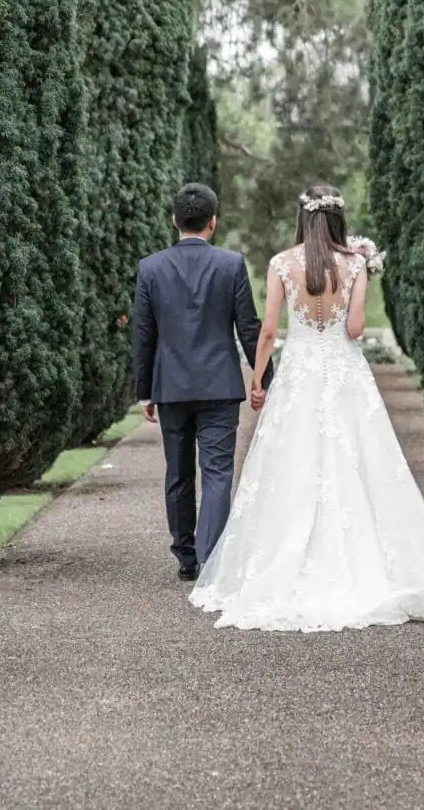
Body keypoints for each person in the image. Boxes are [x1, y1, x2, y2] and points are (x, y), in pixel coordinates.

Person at [189, 183, 424, 631]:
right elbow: (357, 329)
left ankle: (279, 568)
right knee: (359, 462)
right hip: (343, 375)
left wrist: (259, 380)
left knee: (291, 464)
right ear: (339, 218)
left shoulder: (282, 263)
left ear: (302, 218)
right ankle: (371, 568)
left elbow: (267, 332)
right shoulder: (355, 262)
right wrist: (354, 292)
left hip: (299, 374)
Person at [131, 183, 272, 582]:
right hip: (219, 386)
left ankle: (187, 557)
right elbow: (249, 327)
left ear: (174, 220)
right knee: (217, 474)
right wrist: (265, 379)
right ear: (213, 222)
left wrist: (144, 389)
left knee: (178, 473)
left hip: (171, 387)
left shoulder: (151, 268)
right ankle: (212, 558)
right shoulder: (231, 264)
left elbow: (144, 334)